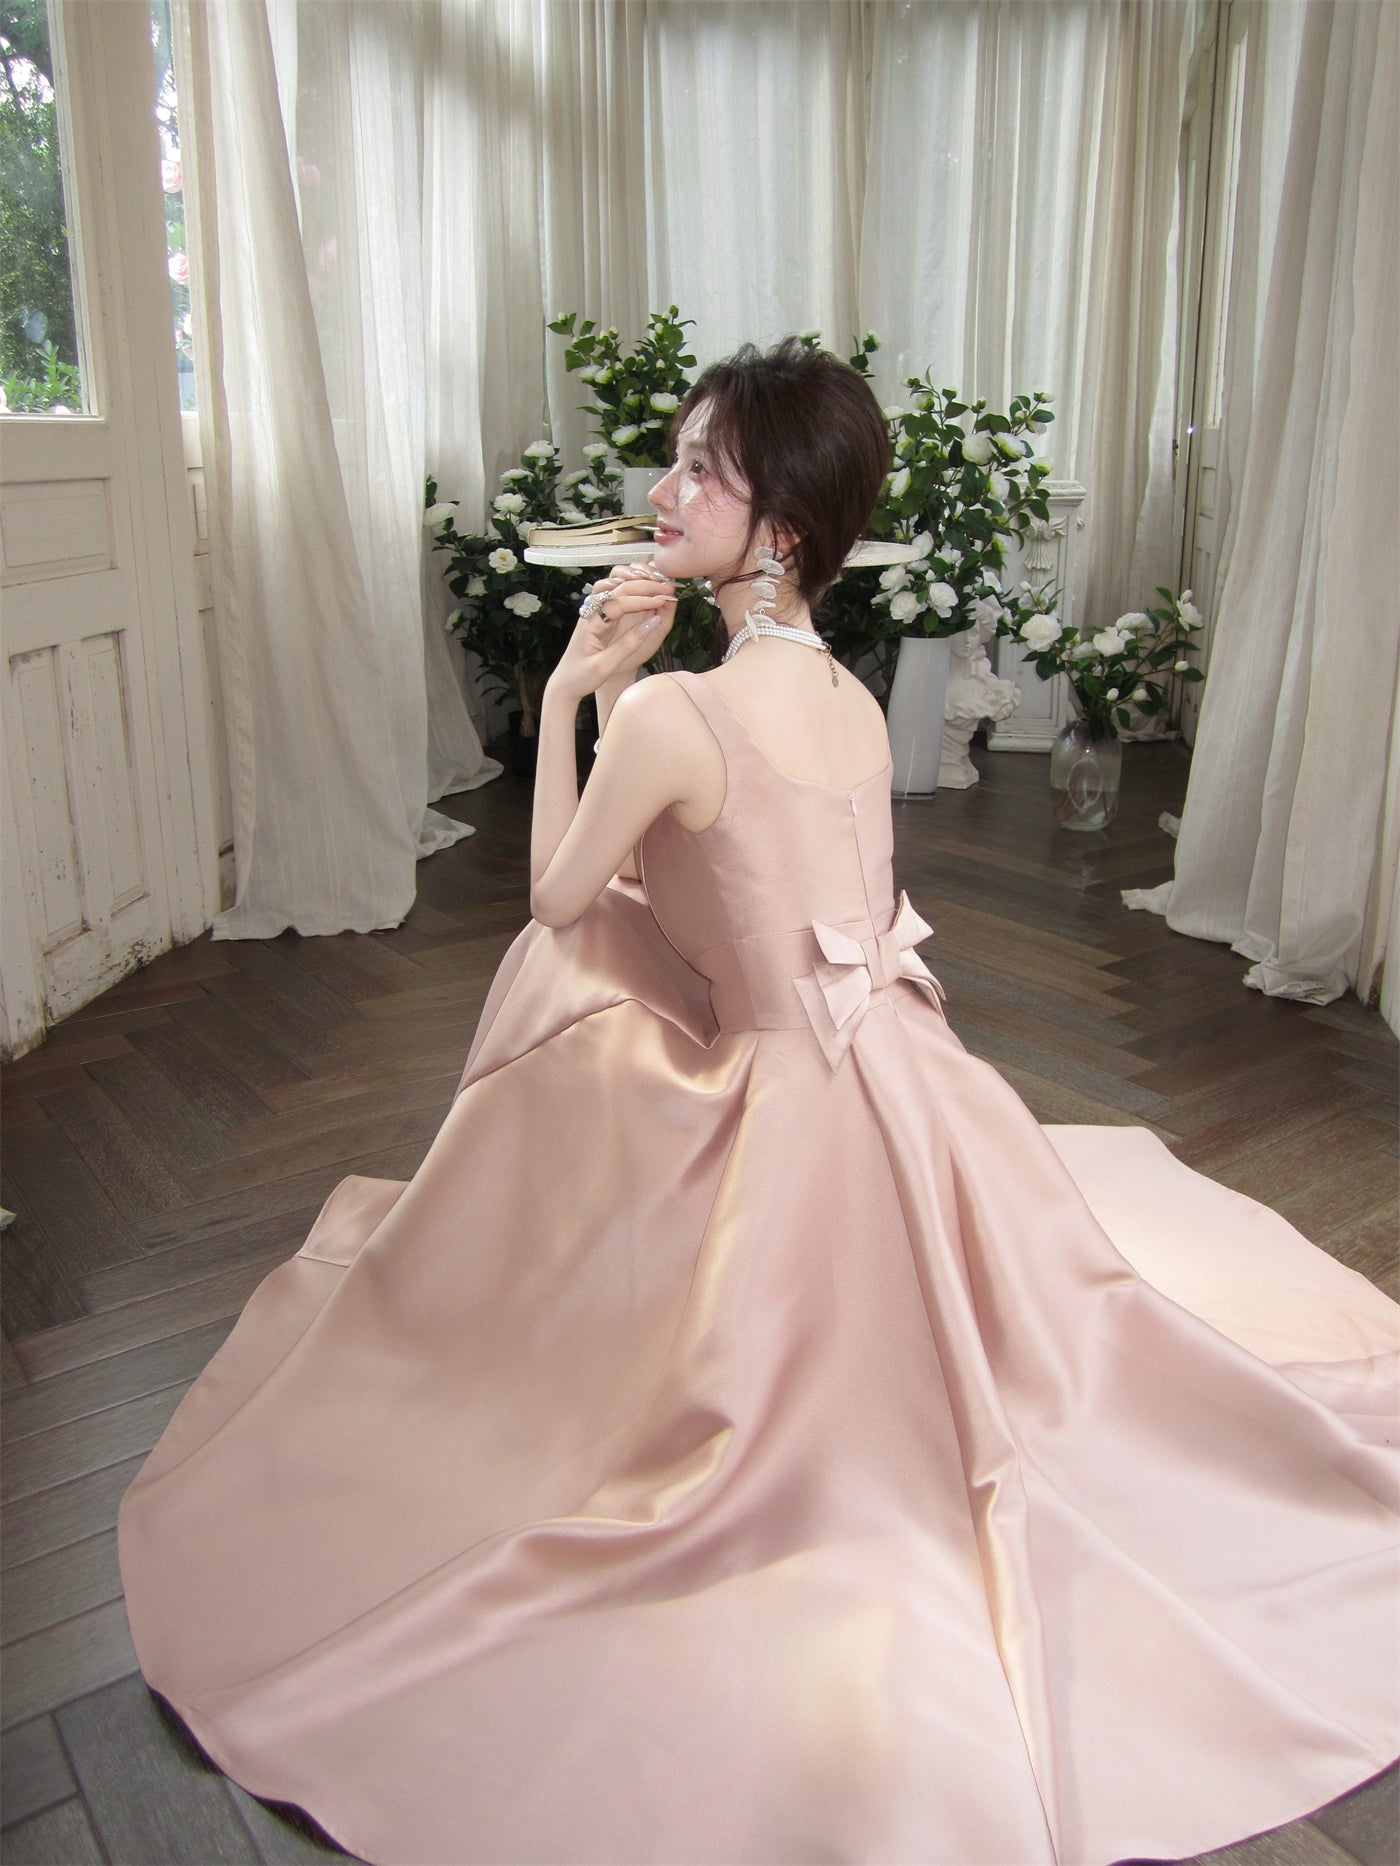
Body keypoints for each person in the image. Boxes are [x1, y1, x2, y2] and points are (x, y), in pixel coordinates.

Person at [119, 338, 1398, 1866]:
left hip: (784, 1121)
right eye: (673, 459)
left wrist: (577, 694)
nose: (663, 491)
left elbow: (555, 897)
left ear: (781, 527)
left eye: (701, 471)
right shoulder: (852, 697)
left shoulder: (678, 715)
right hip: (913, 1088)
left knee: (562, 972)